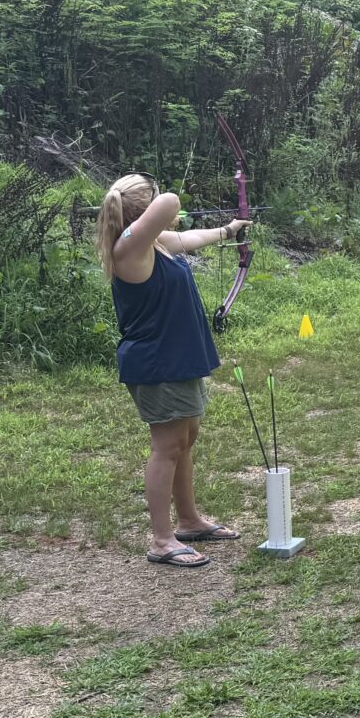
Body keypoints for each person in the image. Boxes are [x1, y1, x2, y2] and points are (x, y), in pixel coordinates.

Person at [101, 174, 251, 568]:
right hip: (158, 363)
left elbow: (191, 238)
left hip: (179, 358)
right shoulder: (129, 248)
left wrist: (228, 230)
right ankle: (162, 540)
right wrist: (153, 195)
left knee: (184, 440)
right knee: (167, 447)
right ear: (145, 210)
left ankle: (188, 521)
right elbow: (170, 200)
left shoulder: (155, 243)